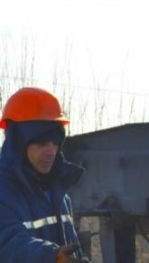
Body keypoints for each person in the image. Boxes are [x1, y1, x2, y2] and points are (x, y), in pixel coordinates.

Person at [0, 87, 87, 263]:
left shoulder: (60, 195)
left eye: (55, 143)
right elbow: (7, 244)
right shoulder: (4, 193)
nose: (51, 152)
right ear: (18, 145)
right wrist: (51, 257)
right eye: (42, 143)